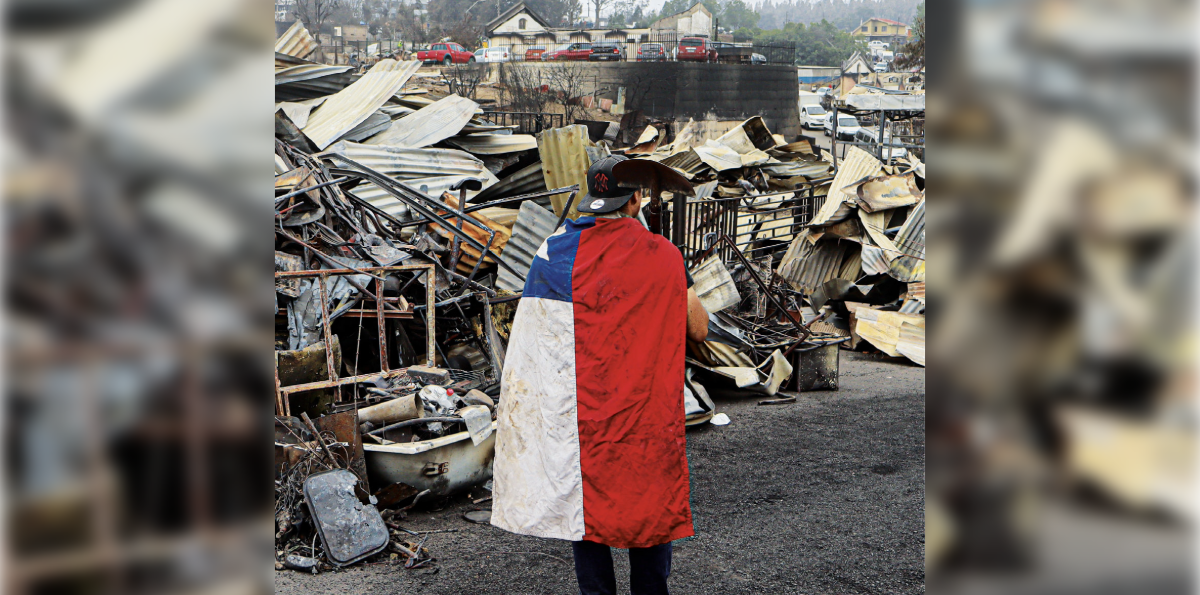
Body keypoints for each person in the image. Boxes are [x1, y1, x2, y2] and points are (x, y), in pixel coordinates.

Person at [491, 155, 709, 595]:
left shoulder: (553, 253)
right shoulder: (664, 255)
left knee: (584, 507)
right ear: (635, 201)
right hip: (646, 416)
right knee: (648, 508)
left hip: (581, 418)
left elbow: (535, 341)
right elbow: (698, 329)